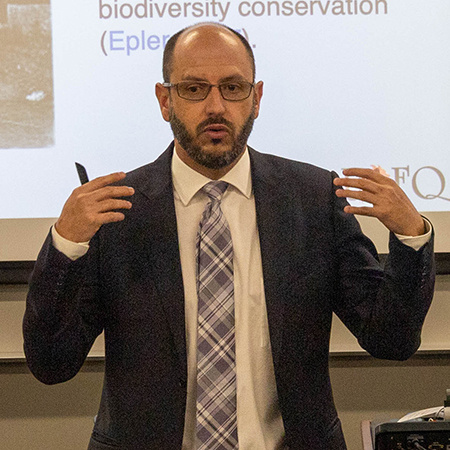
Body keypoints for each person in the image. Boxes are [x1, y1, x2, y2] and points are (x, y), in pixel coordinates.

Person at [23, 22, 435, 450]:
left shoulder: (314, 201)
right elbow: (51, 363)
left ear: (256, 99)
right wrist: (65, 245)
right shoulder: (117, 212)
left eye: (233, 88)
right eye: (194, 89)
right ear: (165, 100)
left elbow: (392, 339)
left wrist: (411, 236)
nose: (216, 106)